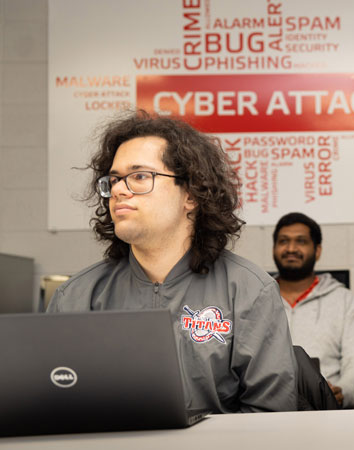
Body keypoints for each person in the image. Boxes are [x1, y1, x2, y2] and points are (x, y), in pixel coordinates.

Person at [47, 110, 297, 413]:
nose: (118, 190)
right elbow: (54, 408)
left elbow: (271, 417)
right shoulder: (75, 297)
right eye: (113, 180)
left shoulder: (248, 291)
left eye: (139, 177)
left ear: (190, 194)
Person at [273, 212, 354, 408]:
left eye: (300, 241)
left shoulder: (343, 299)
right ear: (274, 248)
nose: (291, 248)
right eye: (283, 241)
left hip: (326, 407)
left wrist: (343, 391)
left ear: (317, 250)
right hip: (267, 408)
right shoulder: (256, 298)